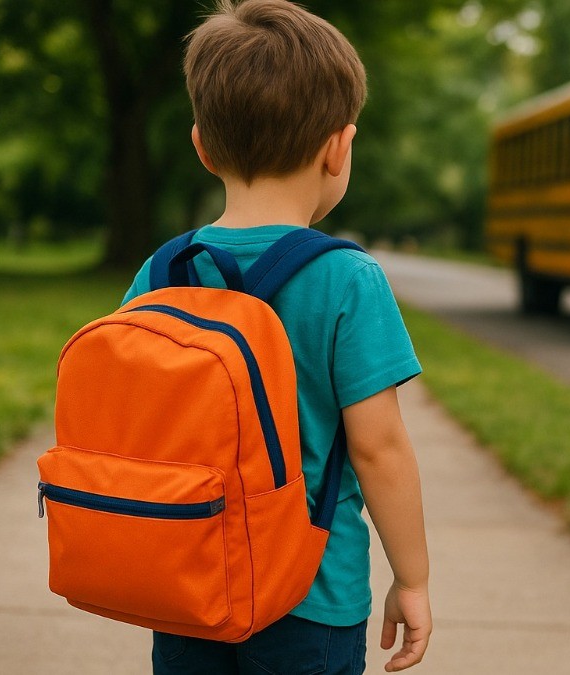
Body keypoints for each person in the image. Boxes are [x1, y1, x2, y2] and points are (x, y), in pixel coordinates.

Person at [119, 1, 431, 672]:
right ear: (338, 147)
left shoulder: (163, 270)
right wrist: (413, 578)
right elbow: (379, 448)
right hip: (311, 597)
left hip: (187, 581)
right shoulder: (347, 280)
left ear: (201, 145)